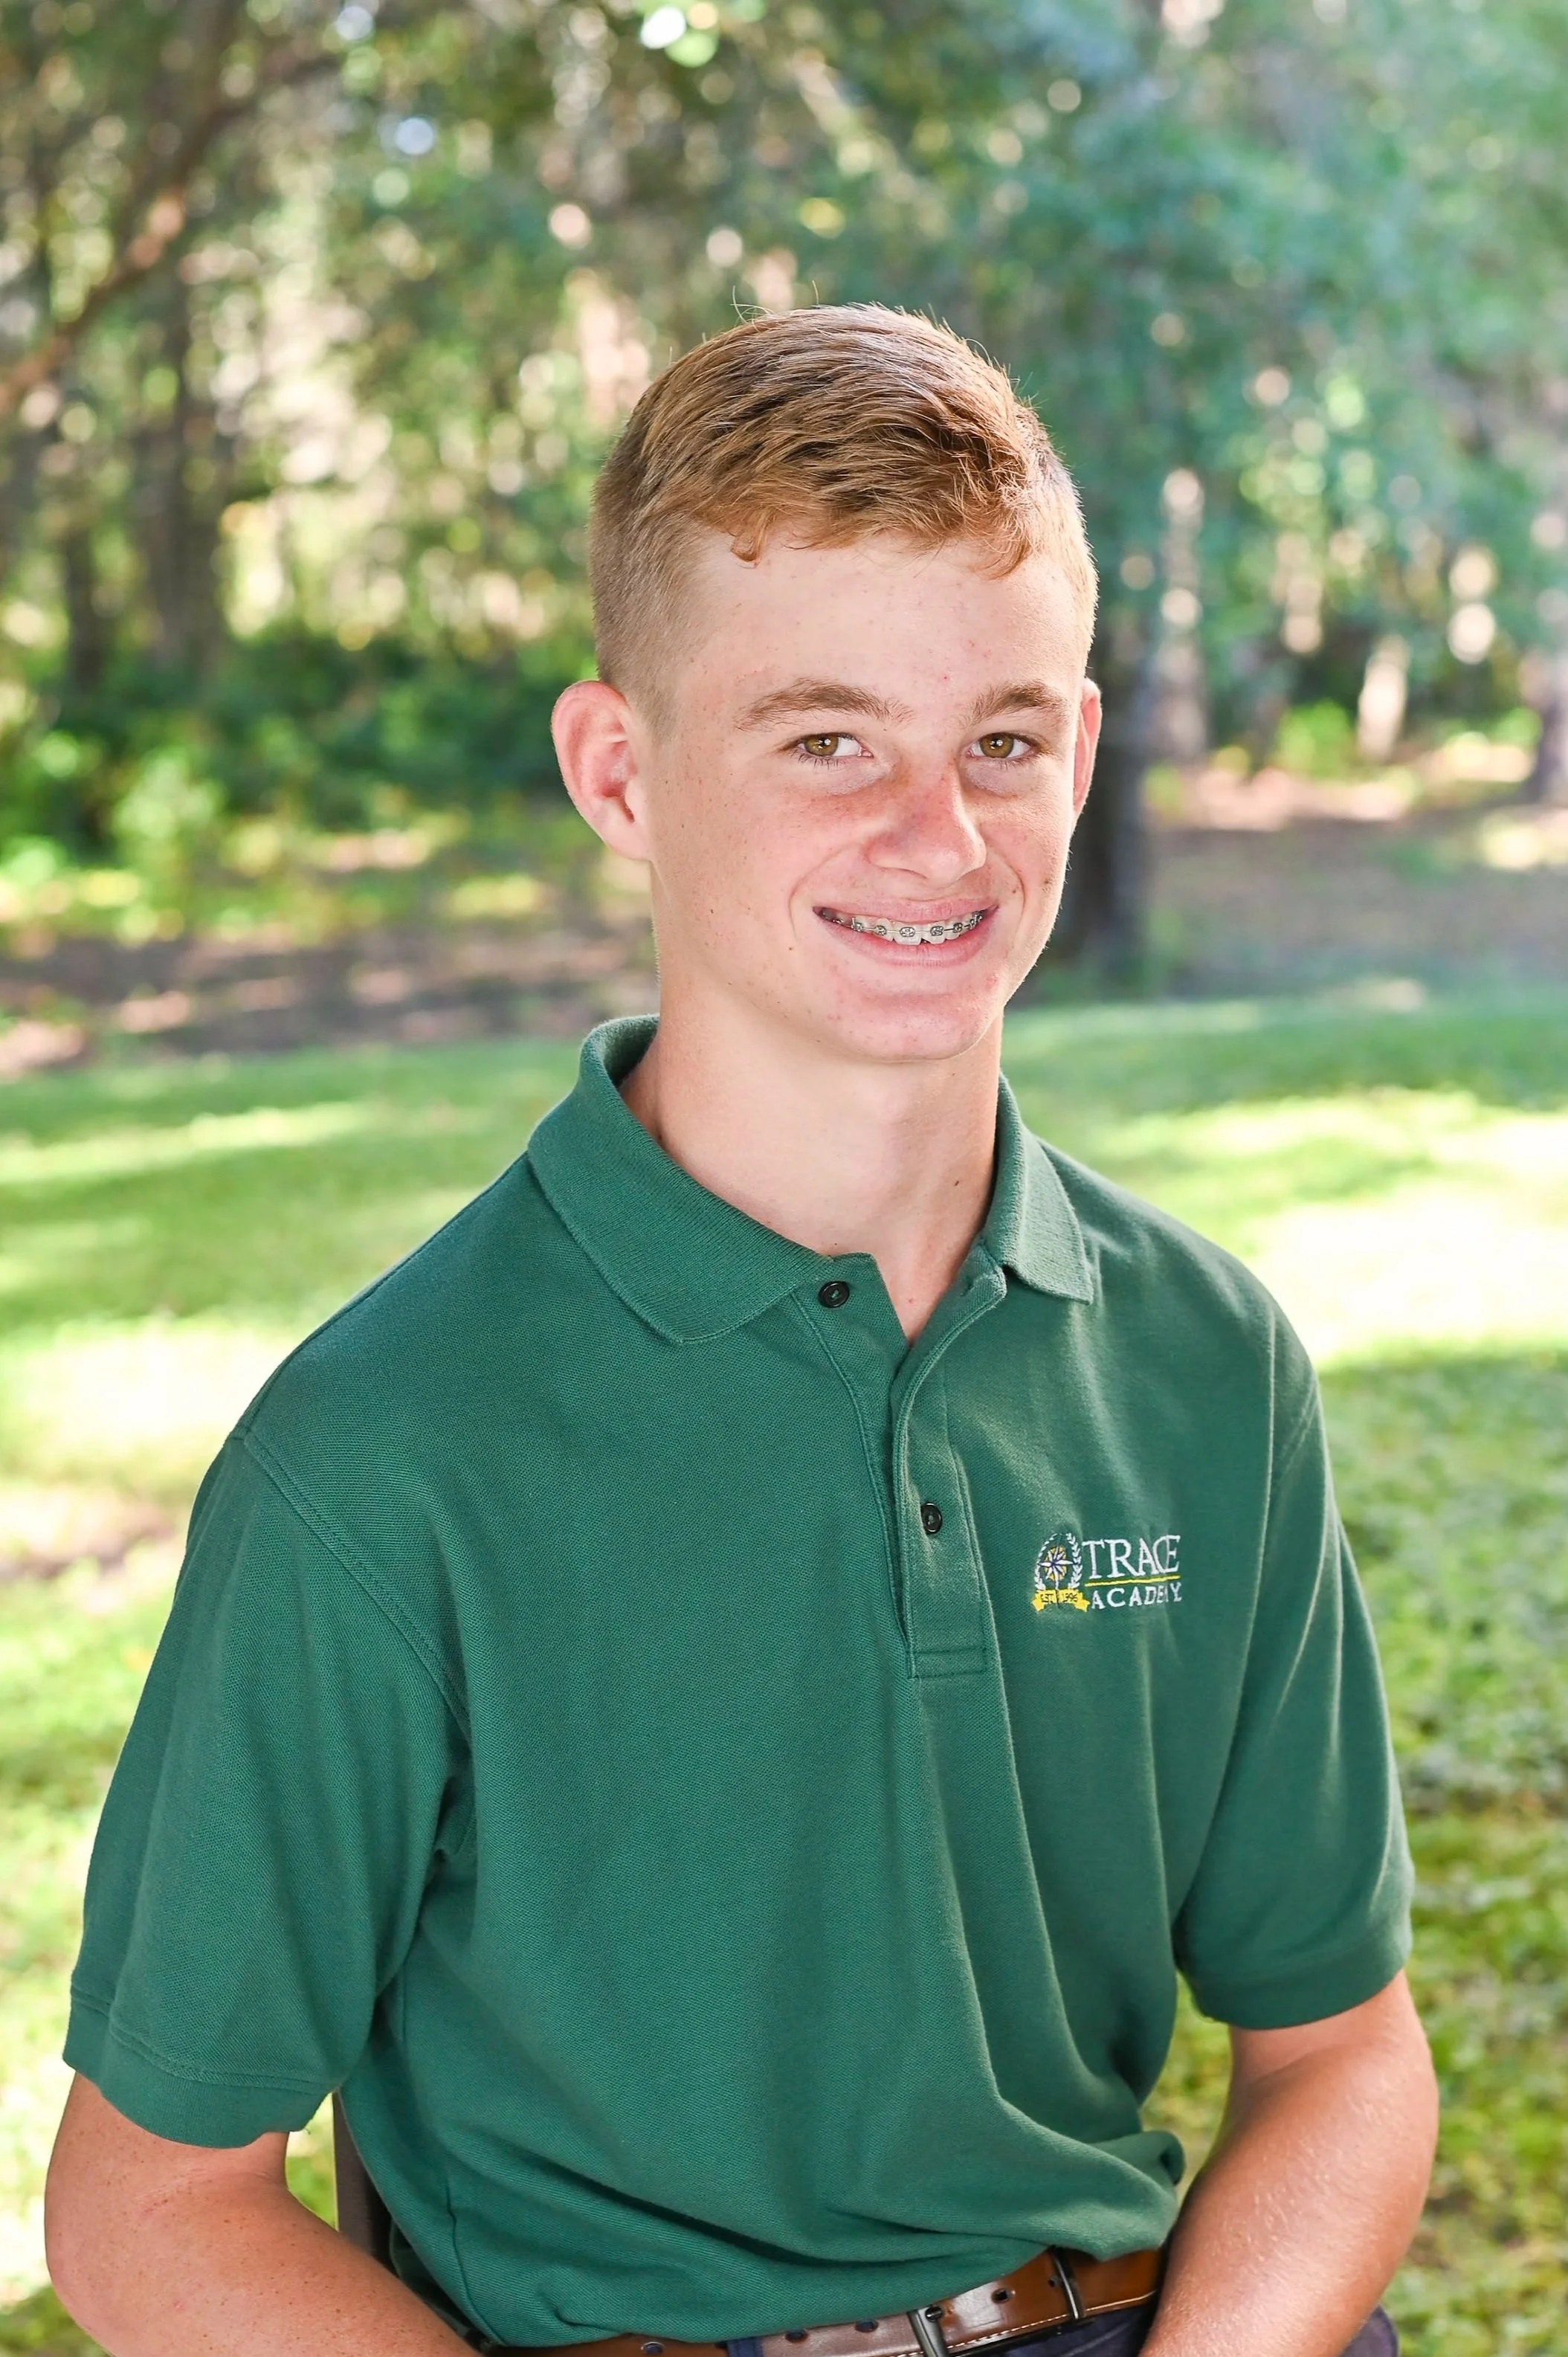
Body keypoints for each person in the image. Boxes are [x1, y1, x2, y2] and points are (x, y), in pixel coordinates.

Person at [45, 305, 1436, 2357]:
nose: (938, 835)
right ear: (619, 769)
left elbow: (1338, 2055)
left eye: (1004, 737)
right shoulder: (391, 1443)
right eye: (824, 739)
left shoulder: (1203, 1364)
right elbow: (147, 2208)